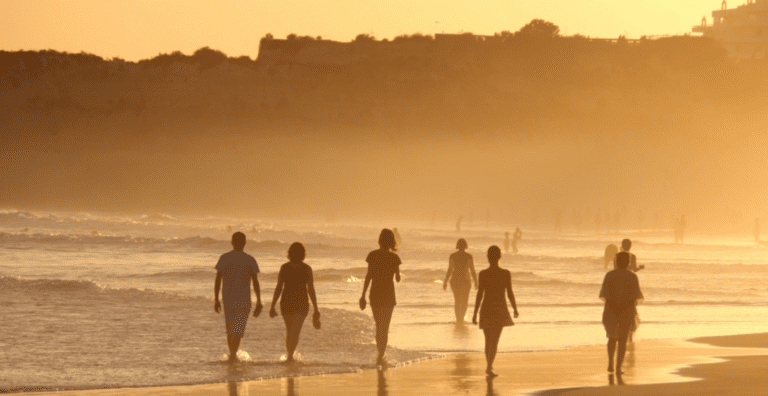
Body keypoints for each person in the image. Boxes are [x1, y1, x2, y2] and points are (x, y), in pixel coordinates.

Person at [214, 232, 262, 362]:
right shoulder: (250, 259)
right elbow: (255, 282)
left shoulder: (224, 258)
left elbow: (218, 279)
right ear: (245, 243)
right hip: (244, 300)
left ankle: (232, 355)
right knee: (238, 330)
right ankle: (233, 356)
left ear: (232, 242)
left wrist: (216, 299)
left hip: (227, 299)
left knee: (230, 330)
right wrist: (259, 300)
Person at [269, 242, 320, 363]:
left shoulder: (285, 267)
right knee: (293, 331)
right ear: (303, 254)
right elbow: (311, 289)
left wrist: (273, 306)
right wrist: (316, 308)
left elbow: (279, 288)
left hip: (289, 303)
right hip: (298, 303)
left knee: (293, 331)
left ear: (290, 253)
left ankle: (290, 356)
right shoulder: (306, 269)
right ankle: (290, 356)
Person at [472, 246, 519, 377]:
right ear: (499, 257)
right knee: (495, 340)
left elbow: (479, 295)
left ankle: (489, 365)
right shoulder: (505, 273)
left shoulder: (483, 274)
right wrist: (515, 308)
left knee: (488, 340)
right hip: (499, 309)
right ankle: (489, 366)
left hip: (486, 309)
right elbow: (510, 293)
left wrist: (475, 313)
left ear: (488, 257)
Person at [360, 229, 402, 366]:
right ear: (392, 241)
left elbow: (368, 276)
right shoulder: (395, 258)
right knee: (385, 326)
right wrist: (395, 272)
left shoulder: (372, 255)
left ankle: (380, 353)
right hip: (389, 294)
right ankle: (381, 355)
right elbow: (398, 278)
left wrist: (362, 296)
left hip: (375, 293)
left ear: (380, 240)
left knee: (379, 325)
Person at [599, 251, 644, 375]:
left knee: (611, 337)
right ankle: (618, 367)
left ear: (616, 262)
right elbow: (636, 296)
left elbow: (605, 295)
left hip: (611, 309)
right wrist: (623, 306)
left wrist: (615, 306)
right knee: (623, 339)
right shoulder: (632, 276)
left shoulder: (609, 275)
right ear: (628, 263)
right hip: (627, 310)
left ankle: (610, 364)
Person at [443, 239, 478, 323]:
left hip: (455, 281)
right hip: (466, 281)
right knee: (465, 301)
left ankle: (458, 319)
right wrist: (476, 281)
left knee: (457, 301)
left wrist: (445, 282)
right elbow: (472, 270)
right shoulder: (469, 256)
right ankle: (461, 318)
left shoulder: (453, 256)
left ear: (457, 245)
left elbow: (450, 269)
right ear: (465, 245)